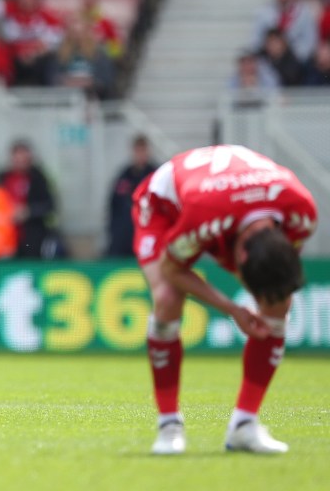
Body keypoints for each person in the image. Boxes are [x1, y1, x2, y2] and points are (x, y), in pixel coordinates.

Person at [133, 145, 317, 455]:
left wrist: (267, 306)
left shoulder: (302, 212)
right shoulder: (204, 216)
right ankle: (168, 425)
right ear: (238, 254)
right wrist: (232, 308)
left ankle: (244, 425)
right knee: (167, 297)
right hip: (165, 206)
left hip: (229, 205)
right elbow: (172, 269)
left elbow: (280, 267)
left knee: (277, 303)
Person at [1, 139, 64, 259]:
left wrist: (28, 211)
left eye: (24, 158)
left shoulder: (40, 178)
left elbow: (50, 205)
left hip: (32, 234)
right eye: (17, 158)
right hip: (7, 234)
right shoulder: (2, 178)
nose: (21, 162)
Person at [106, 134, 158, 256]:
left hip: (149, 233)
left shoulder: (156, 175)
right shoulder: (123, 176)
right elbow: (113, 205)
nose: (140, 154)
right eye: (137, 151)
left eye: (143, 150)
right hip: (124, 236)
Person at [251, 0, 318, 64]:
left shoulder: (304, 13)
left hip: (296, 60)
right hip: (269, 59)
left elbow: (310, 40)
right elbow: (255, 39)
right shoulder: (264, 12)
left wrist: (295, 58)